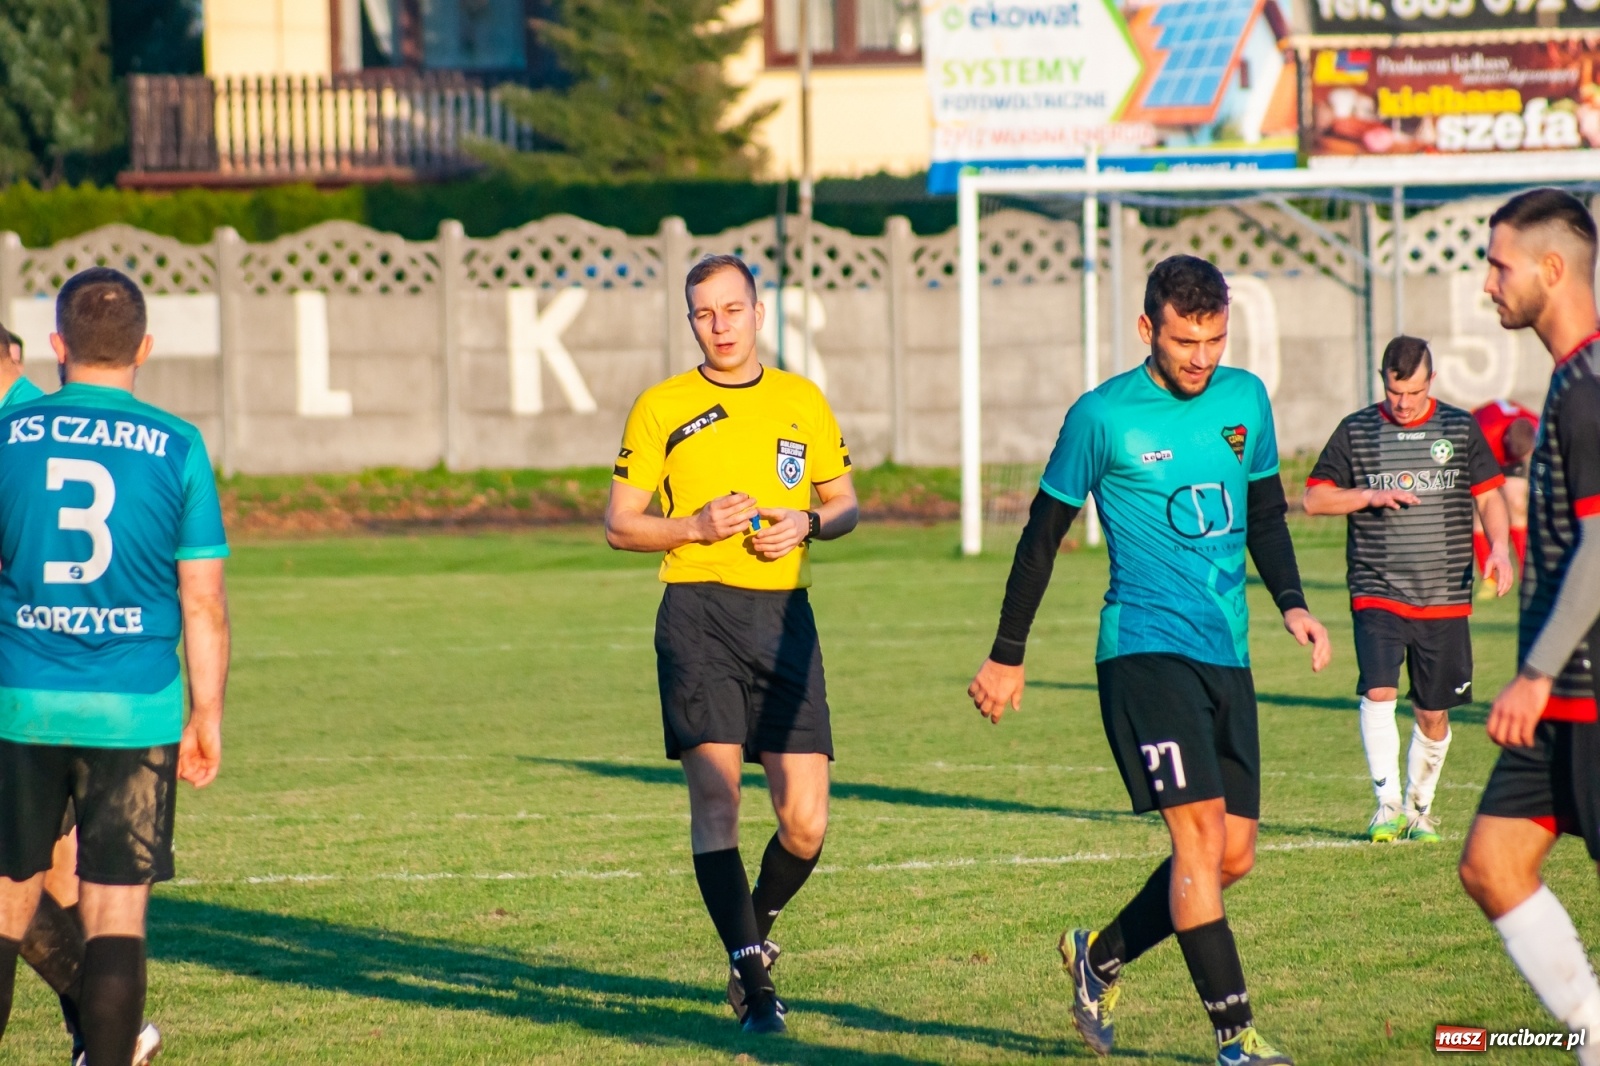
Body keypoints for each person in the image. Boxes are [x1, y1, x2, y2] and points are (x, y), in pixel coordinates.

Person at [967, 255, 1330, 1066]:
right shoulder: (1101, 417)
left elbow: (1266, 513)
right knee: (1199, 838)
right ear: (1147, 330)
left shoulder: (1246, 400)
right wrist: (1007, 657)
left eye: (1214, 338)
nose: (1201, 356)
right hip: (1141, 653)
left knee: (1233, 855)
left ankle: (1098, 957)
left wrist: (1294, 605)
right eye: (1183, 340)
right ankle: (1236, 1039)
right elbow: (1039, 540)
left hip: (1225, 655)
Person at [605, 254, 858, 1035]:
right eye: (703, 314)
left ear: (757, 310)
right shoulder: (661, 407)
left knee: (806, 820)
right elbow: (619, 524)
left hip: (785, 620)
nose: (719, 326)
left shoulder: (800, 399)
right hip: (698, 615)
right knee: (718, 803)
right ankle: (757, 991)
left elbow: (844, 501)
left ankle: (751, 936)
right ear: (692, 322)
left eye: (731, 310)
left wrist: (808, 523)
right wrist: (693, 526)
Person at [0, 268, 230, 1066]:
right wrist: (206, 717)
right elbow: (202, 602)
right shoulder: (178, 444)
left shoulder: (6, 438)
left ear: (55, 347)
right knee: (116, 917)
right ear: (145, 349)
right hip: (136, 710)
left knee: (5, 905)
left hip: (19, 704)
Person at [1457, 189, 1600, 1065]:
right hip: (1560, 710)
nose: (1486, 283)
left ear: (1552, 269)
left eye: (1498, 264)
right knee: (1492, 866)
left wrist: (1537, 671)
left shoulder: (1590, 392)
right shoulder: (1568, 383)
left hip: (1583, 693)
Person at [1303, 336, 1514, 843]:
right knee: (1378, 691)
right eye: (1395, 392)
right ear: (1384, 381)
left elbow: (1489, 497)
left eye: (1414, 394)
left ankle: (1419, 809)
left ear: (1431, 383)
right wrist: (1369, 495)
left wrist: (1500, 550)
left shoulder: (1460, 429)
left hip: (1443, 594)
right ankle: (1386, 806)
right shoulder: (1357, 430)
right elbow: (1314, 500)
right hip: (1377, 588)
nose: (1403, 404)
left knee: (1433, 712)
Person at [1472, 398, 1539, 593]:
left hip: (1508, 447)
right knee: (1479, 511)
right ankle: (1489, 579)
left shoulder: (1535, 425)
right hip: (1487, 448)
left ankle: (1525, 576)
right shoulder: (1484, 432)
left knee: (1517, 502)